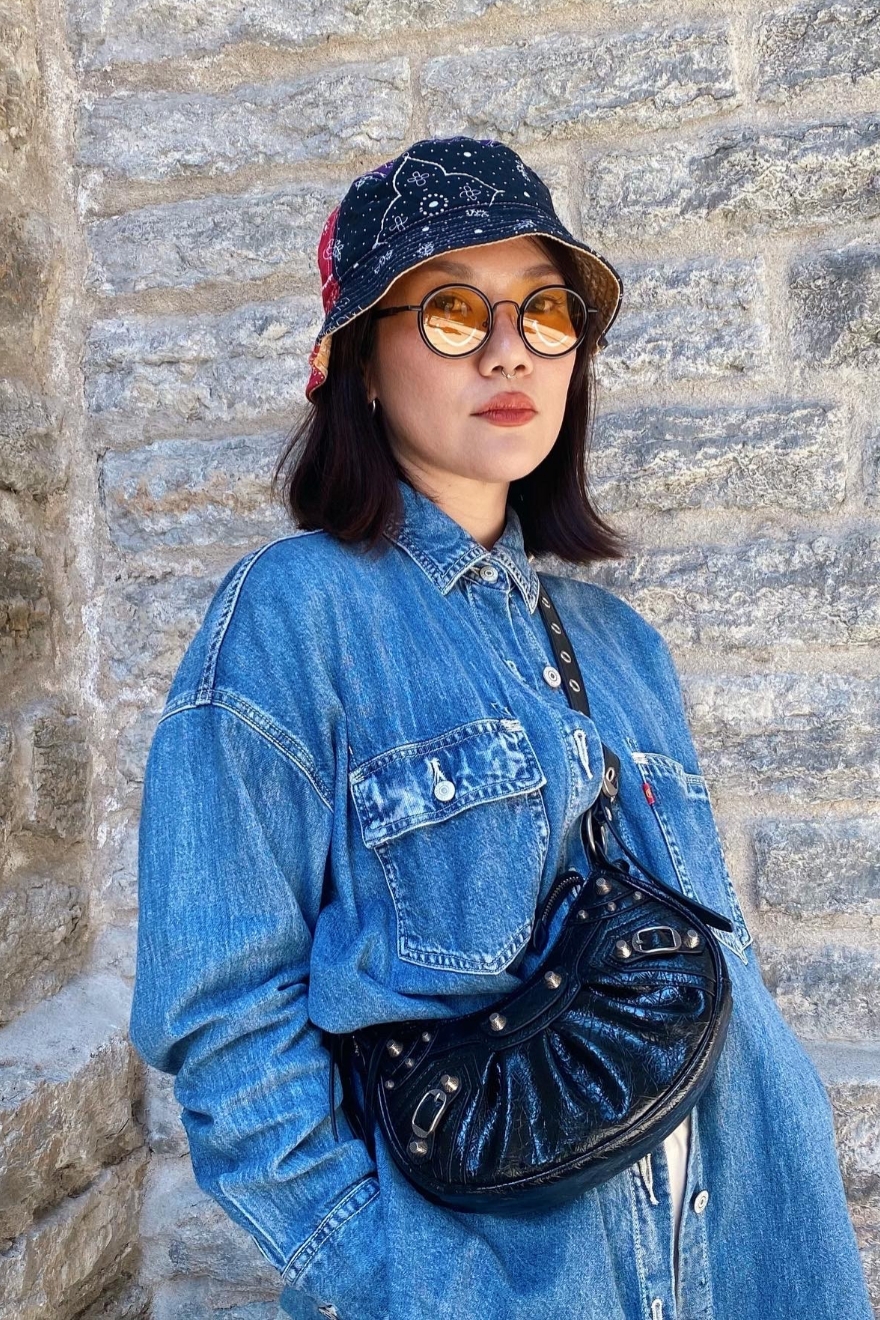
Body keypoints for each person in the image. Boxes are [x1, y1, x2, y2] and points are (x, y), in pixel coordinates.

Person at [128, 136, 873, 1320]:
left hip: (753, 1258)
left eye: (545, 310)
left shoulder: (623, 647)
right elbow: (222, 1014)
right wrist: (395, 1284)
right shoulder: (294, 614)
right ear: (359, 363)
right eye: (451, 311)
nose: (509, 347)